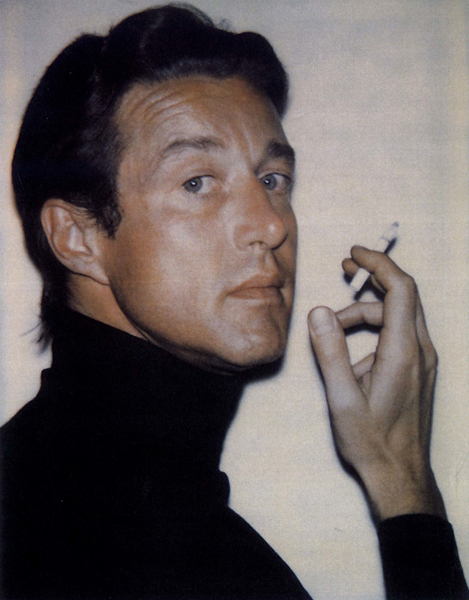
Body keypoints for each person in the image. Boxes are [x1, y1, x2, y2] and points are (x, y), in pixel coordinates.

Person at [1, 5, 467, 599]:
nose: (271, 225)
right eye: (197, 182)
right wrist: (407, 495)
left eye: (272, 180)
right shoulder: (89, 539)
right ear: (77, 237)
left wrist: (396, 472)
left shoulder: (96, 507)